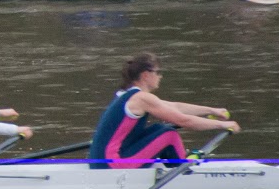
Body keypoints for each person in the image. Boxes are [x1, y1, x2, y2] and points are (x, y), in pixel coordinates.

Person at [90, 52, 239, 169]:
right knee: (168, 134)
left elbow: (174, 107)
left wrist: (211, 110)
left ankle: (177, 161)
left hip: (102, 162)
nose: (160, 76)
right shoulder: (141, 98)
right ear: (146, 75)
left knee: (159, 128)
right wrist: (223, 125)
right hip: (113, 165)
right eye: (158, 72)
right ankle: (183, 167)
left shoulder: (127, 95)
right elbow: (183, 120)